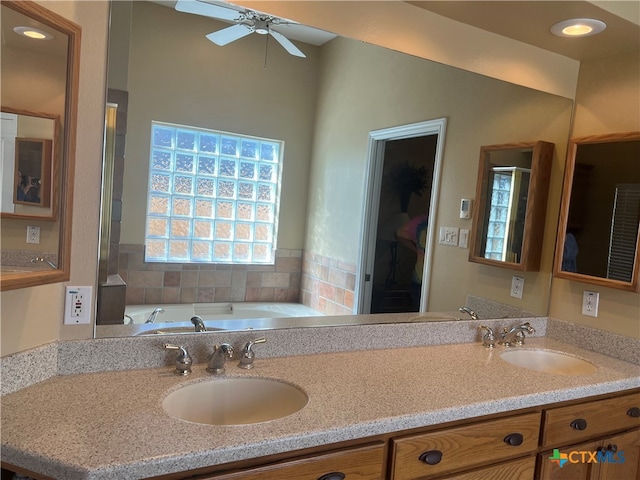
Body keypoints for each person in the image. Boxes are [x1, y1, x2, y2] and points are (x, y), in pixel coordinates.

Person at [396, 214, 429, 311]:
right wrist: (416, 250)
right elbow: (399, 234)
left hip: (435, 282)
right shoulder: (420, 222)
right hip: (419, 279)